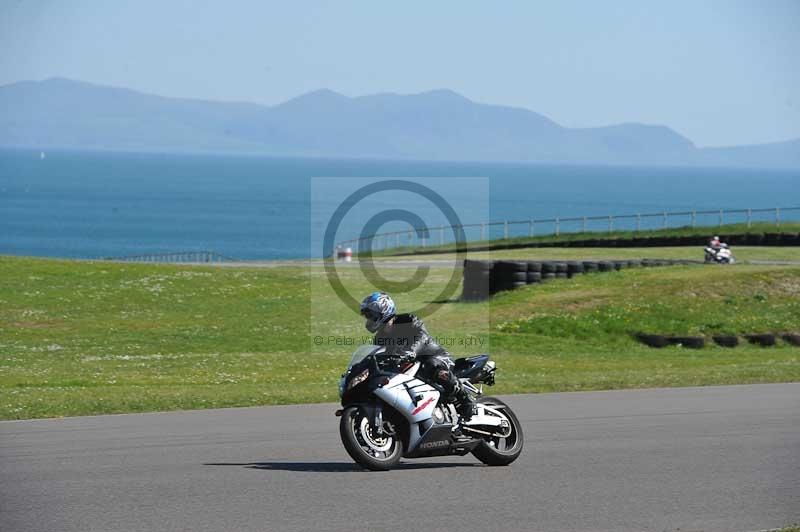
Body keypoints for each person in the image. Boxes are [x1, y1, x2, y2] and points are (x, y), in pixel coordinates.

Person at [360, 291, 475, 421]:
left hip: (436, 357)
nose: (369, 320)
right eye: (367, 316)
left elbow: (422, 336)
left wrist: (411, 351)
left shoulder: (407, 320)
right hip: (412, 368)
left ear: (383, 311)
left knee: (431, 366)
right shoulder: (380, 338)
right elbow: (378, 356)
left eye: (371, 315)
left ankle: (466, 399)